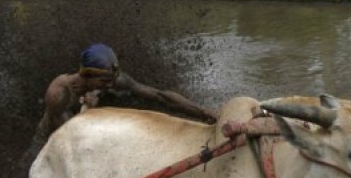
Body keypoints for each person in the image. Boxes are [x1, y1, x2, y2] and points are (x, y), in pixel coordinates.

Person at [24, 44, 219, 165]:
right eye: (104, 82)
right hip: (49, 146)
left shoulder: (109, 78)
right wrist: (88, 111)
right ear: (86, 75)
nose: (110, 86)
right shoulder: (59, 94)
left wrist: (202, 112)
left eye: (112, 80)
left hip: (87, 137)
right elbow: (71, 140)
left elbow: (160, 96)